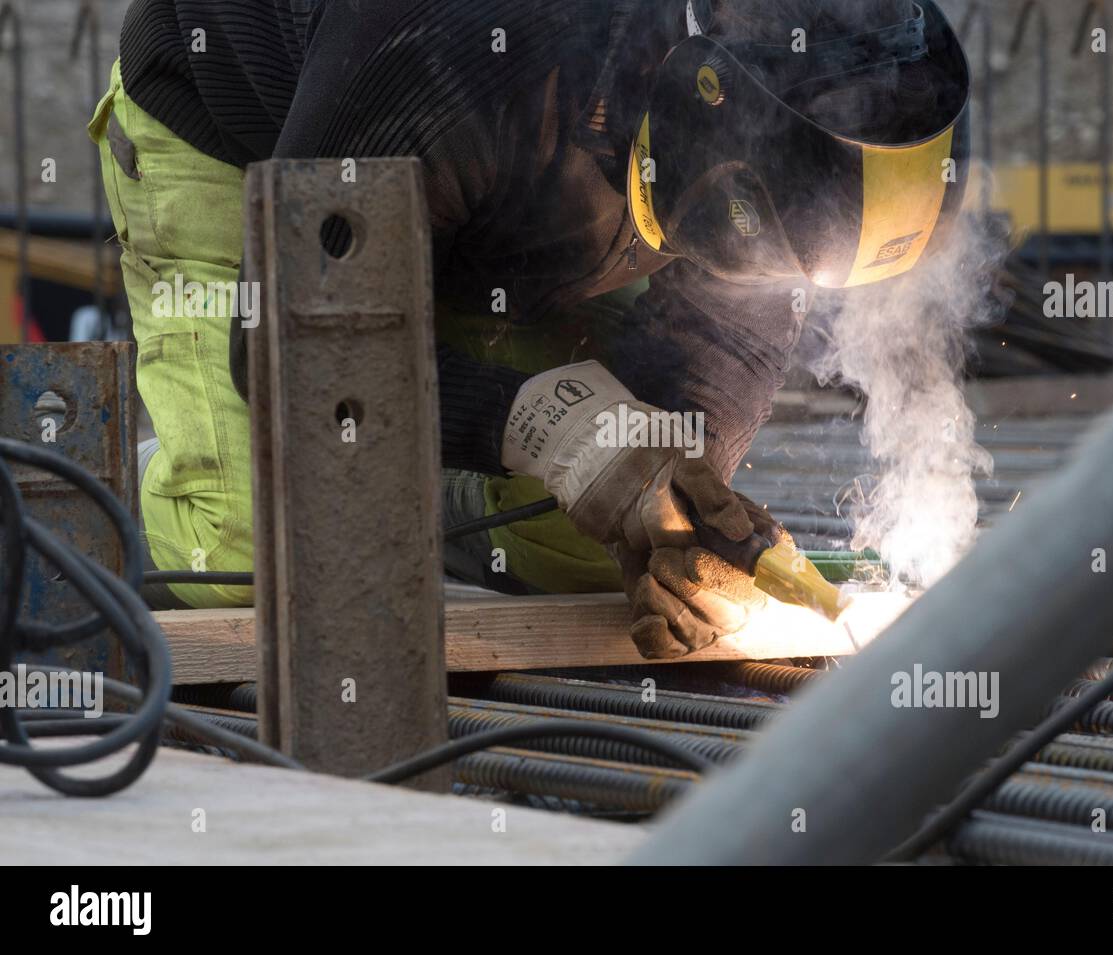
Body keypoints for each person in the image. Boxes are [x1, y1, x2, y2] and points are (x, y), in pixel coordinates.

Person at [91, 0, 970, 657]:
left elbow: (726, 349)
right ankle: (176, 476)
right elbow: (293, 342)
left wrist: (671, 500)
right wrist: (539, 425)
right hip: (239, 137)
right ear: (697, 103)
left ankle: (438, 474)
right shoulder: (445, 37)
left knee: (598, 552)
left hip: (508, 191)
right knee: (261, 577)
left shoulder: (771, 87)